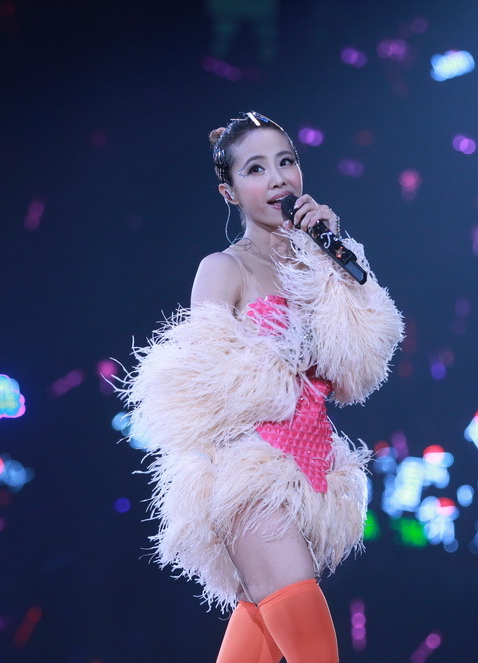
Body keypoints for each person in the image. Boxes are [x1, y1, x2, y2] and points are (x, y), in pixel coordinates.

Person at [121, 111, 403, 662]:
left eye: (286, 162)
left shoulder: (317, 266)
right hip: (249, 473)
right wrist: (278, 368)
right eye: (255, 169)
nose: (277, 179)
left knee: (258, 643)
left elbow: (361, 368)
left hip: (312, 475)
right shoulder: (225, 268)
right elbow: (196, 390)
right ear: (229, 192)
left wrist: (332, 259)